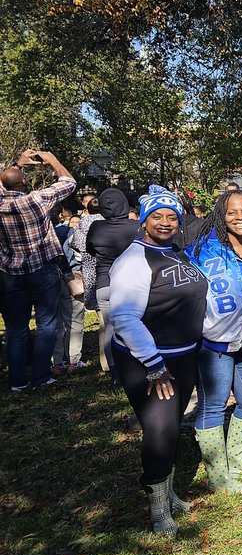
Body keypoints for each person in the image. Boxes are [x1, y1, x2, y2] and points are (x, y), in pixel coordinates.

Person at [109, 186, 207, 536]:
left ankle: (168, 493)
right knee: (161, 430)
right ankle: (157, 508)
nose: (165, 222)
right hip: (149, 363)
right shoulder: (133, 261)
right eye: (157, 216)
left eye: (171, 217)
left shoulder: (175, 251)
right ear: (143, 220)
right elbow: (124, 317)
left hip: (183, 356)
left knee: (172, 426)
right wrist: (154, 365)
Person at [189, 190, 242, 493]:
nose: (240, 217)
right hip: (213, 344)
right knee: (213, 404)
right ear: (221, 217)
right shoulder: (202, 251)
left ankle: (238, 461)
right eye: (231, 212)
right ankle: (217, 475)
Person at [0, 149, 76, 391]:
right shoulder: (35, 200)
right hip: (42, 268)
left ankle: (18, 381)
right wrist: (52, 160)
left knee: (16, 329)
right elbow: (68, 182)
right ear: (24, 183)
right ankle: (41, 376)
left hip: (11, 274)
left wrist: (17, 164)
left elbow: (4, 183)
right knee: (47, 324)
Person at [85, 189, 140, 375]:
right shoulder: (137, 227)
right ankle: (137, 365)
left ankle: (114, 372)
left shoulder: (96, 227)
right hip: (133, 285)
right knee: (138, 325)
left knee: (109, 328)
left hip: (105, 283)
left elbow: (90, 250)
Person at [51, 204, 86, 372]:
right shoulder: (68, 232)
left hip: (47, 279)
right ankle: (74, 360)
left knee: (53, 322)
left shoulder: (39, 232)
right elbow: (80, 252)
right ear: (60, 216)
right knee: (75, 319)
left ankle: (56, 361)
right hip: (70, 276)